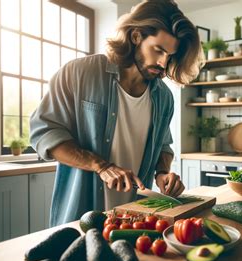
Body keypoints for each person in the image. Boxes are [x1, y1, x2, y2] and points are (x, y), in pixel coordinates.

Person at [30, 0, 203, 226]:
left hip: (135, 219)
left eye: (170, 56)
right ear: (136, 36)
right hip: (80, 216)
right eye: (159, 50)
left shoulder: (164, 97)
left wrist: (162, 173)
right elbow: (44, 133)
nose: (163, 63)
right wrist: (102, 166)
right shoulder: (79, 72)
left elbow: (163, 146)